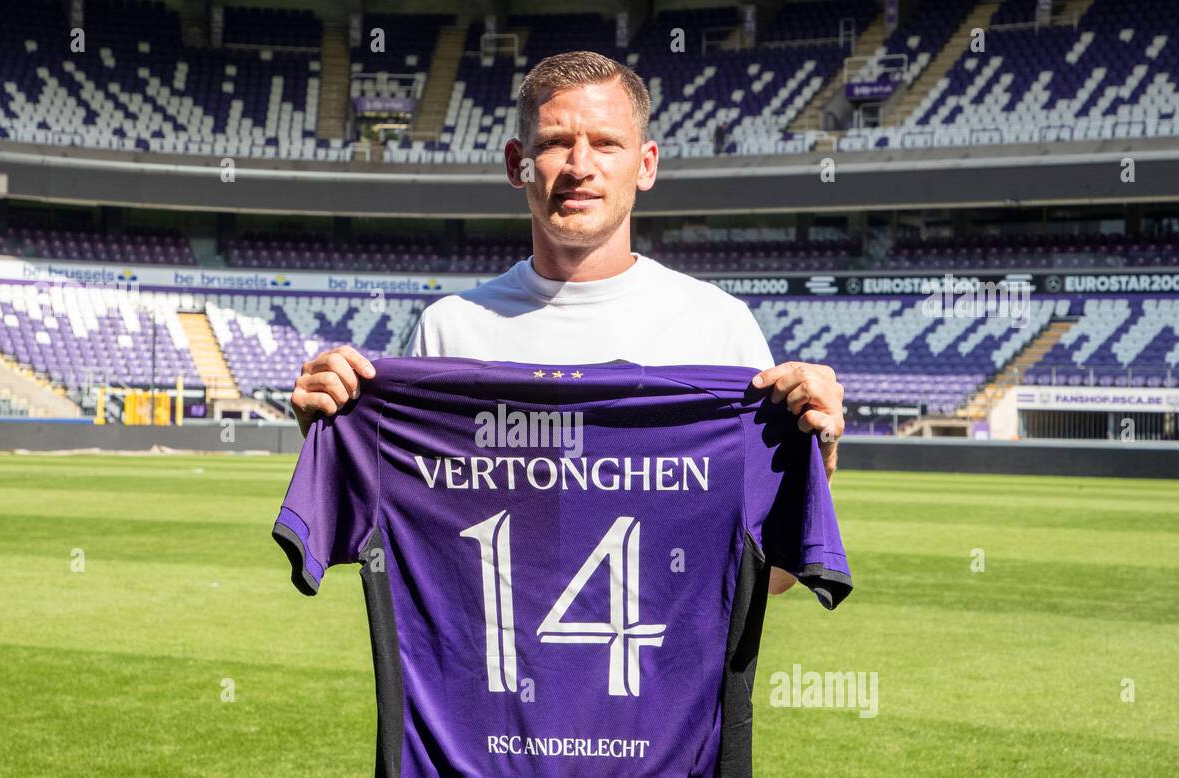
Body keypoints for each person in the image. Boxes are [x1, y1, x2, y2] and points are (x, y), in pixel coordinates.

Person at [290, 50, 846, 597]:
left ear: (646, 164)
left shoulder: (718, 325)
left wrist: (815, 452)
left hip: (664, 685)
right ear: (517, 164)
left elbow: (768, 576)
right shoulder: (449, 329)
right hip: (492, 686)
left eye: (607, 143)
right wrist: (331, 430)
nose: (581, 167)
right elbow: (414, 548)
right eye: (555, 143)